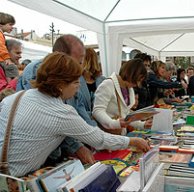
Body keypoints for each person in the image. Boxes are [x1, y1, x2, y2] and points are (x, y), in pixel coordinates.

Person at [0, 52, 150, 177]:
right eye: (76, 84)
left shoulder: (15, 97)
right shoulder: (61, 112)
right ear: (60, 85)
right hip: (13, 176)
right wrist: (132, 141)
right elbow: (99, 139)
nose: (78, 89)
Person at [17, 34, 96, 165]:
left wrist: (94, 136)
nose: (82, 67)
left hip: (59, 153)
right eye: (80, 60)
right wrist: (78, 146)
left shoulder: (74, 76)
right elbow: (50, 118)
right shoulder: (37, 70)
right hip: (36, 157)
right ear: (61, 56)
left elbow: (81, 112)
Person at [93, 59, 152, 135]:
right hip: (107, 135)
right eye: (138, 80)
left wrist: (142, 124)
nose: (138, 84)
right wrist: (114, 123)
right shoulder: (108, 84)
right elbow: (97, 111)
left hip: (119, 135)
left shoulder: (128, 88)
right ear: (131, 74)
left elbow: (126, 115)